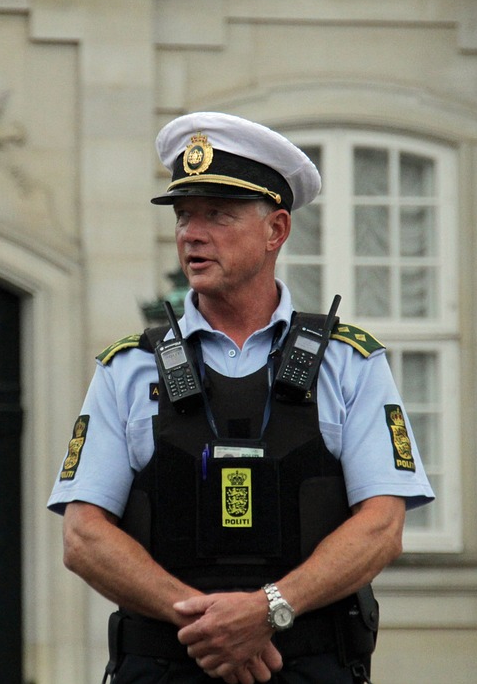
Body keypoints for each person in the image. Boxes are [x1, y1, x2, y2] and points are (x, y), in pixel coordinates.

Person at [48, 111, 435, 683]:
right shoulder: (127, 368)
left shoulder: (348, 363)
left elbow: (382, 526)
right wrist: (212, 624)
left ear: (276, 230)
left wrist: (268, 609)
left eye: (217, 214)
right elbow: (83, 536)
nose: (191, 233)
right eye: (184, 215)